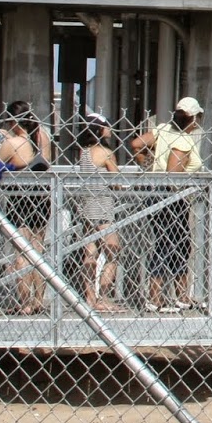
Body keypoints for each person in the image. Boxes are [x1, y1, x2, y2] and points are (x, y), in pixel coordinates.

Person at [131, 97, 207, 313]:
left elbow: (136, 144)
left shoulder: (162, 129)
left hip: (157, 192)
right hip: (170, 196)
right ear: (192, 118)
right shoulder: (182, 140)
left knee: (179, 243)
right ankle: (156, 298)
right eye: (198, 118)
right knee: (169, 244)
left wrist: (147, 162)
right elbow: (173, 173)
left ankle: (180, 295)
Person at [0, 102, 53, 316]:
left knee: (21, 251)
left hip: (19, 197)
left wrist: (5, 140)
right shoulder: (42, 136)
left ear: (14, 121)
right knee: (37, 248)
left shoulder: (15, 142)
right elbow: (46, 164)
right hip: (42, 196)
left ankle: (26, 301)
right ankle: (38, 299)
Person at [73, 112, 122, 313]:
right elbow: (117, 180)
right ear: (99, 129)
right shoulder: (105, 152)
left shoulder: (82, 152)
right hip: (102, 206)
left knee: (90, 252)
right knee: (113, 250)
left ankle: (89, 297)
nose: (109, 129)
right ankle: (102, 296)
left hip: (86, 206)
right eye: (106, 125)